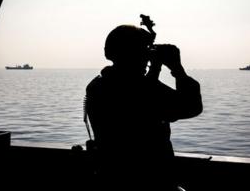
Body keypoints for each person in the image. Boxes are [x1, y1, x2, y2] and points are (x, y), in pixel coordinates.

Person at [85, 24, 202, 190]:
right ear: (134, 54)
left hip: (111, 177)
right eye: (144, 50)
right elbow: (191, 106)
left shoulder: (98, 85)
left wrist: (154, 69)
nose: (148, 56)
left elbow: (136, 96)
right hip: (149, 182)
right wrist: (177, 69)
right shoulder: (142, 88)